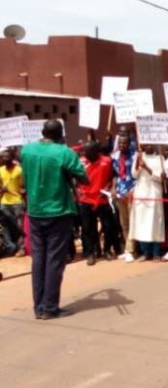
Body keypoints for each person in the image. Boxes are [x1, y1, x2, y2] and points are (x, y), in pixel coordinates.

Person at [22, 119, 88, 320]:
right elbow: (84, 177)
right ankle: (50, 307)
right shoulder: (64, 152)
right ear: (61, 135)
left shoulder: (26, 150)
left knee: (39, 260)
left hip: (35, 211)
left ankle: (39, 307)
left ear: (42, 132)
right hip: (58, 212)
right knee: (54, 261)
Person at [77, 141, 118, 266]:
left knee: (108, 226)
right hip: (86, 200)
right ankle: (91, 253)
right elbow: (74, 177)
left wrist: (112, 188)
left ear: (95, 152)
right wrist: (77, 190)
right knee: (88, 228)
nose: (85, 153)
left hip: (102, 199)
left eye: (87, 151)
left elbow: (113, 176)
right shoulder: (81, 162)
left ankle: (107, 250)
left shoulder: (107, 161)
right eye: (84, 151)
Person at [129, 145, 165, 262]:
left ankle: (156, 253)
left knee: (155, 224)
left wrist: (147, 168)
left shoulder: (159, 158)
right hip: (141, 194)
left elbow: (160, 178)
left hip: (154, 193)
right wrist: (138, 162)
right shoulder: (139, 157)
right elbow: (134, 174)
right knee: (142, 224)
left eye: (150, 143)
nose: (148, 146)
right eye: (146, 143)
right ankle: (146, 252)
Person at [111, 134, 136, 261]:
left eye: (124, 143)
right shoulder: (114, 157)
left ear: (129, 143)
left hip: (131, 192)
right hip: (120, 192)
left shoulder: (135, 156)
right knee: (124, 223)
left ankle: (130, 250)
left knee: (132, 222)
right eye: (120, 143)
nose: (122, 145)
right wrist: (114, 188)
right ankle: (128, 248)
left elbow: (137, 176)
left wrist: (133, 190)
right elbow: (115, 174)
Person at [0, 148, 25, 256]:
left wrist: (20, 192)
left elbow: (24, 187)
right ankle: (11, 246)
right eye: (3, 157)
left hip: (17, 202)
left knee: (19, 226)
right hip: (4, 202)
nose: (5, 159)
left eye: (7, 157)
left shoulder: (19, 170)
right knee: (5, 226)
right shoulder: (0, 170)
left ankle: (21, 248)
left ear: (12, 158)